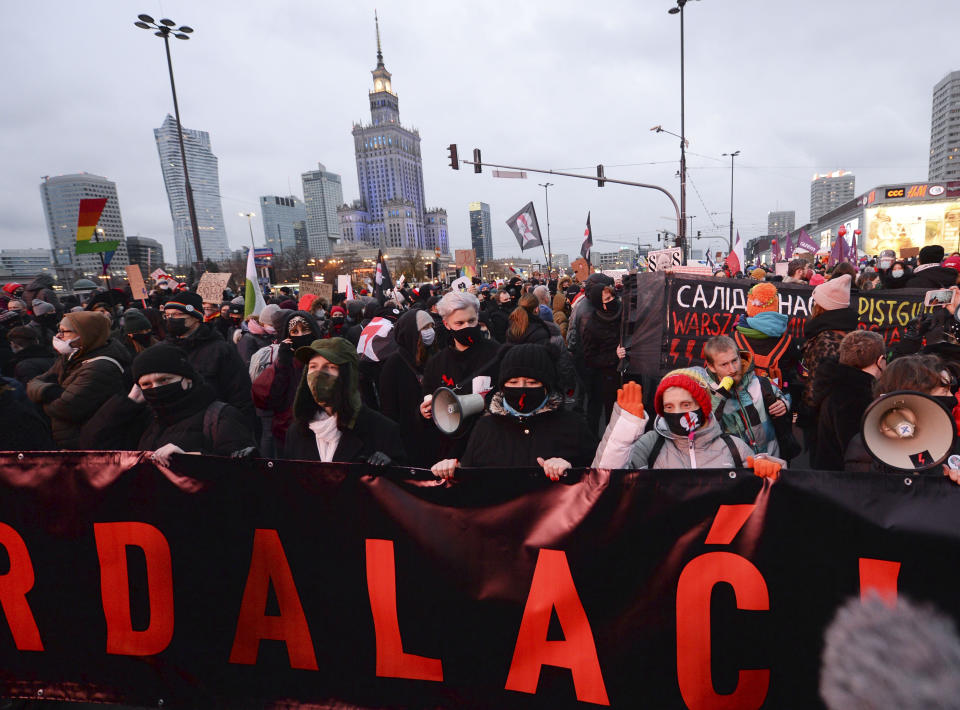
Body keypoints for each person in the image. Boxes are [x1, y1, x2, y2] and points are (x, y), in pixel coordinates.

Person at [433, 344, 597, 480]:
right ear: (503, 387)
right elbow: (470, 479)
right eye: (513, 382)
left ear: (547, 387)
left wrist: (571, 469)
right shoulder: (485, 428)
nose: (522, 388)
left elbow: (596, 479)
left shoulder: (573, 426)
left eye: (532, 382)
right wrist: (454, 471)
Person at [81, 344, 255, 460]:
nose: (155, 388)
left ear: (187, 379)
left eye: (164, 380)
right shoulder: (145, 417)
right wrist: (127, 402)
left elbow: (245, 471)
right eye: (146, 384)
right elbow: (91, 445)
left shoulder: (220, 416)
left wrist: (195, 459)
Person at [592, 371, 782, 477]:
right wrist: (624, 429)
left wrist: (765, 468)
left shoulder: (732, 446)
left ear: (703, 406)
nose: (678, 413)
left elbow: (767, 496)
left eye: (686, 404)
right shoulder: (651, 445)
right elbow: (604, 480)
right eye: (669, 406)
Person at [282, 337, 406, 463]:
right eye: (313, 367)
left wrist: (390, 468)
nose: (318, 375)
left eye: (329, 367)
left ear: (348, 375)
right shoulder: (297, 432)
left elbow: (403, 479)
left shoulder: (382, 430)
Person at [844, 354, 960, 481]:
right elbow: (867, 493)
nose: (952, 398)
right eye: (944, 392)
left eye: (950, 390)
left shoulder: (949, 439)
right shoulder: (866, 447)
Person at [26, 311, 130, 449]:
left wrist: (42, 396)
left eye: (64, 331)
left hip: (88, 444)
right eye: (59, 330)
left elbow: (65, 408)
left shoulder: (101, 367)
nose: (58, 336)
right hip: (71, 439)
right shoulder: (71, 356)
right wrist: (48, 391)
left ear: (86, 334)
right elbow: (32, 383)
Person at [419, 291, 501, 462]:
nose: (467, 327)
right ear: (446, 324)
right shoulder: (436, 364)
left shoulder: (498, 353)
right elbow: (428, 398)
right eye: (459, 323)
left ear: (478, 318)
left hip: (492, 444)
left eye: (471, 321)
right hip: (452, 450)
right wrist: (424, 411)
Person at [162, 291, 254, 421]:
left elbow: (240, 394)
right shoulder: (163, 350)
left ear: (195, 317)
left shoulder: (220, 350)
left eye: (177, 314)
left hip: (213, 424)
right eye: (167, 315)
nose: (171, 319)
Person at [703, 335, 792, 459]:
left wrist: (784, 403)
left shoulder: (761, 382)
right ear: (712, 367)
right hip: (737, 463)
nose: (732, 369)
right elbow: (707, 431)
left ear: (740, 356)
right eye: (724, 364)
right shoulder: (707, 394)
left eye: (734, 360)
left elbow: (783, 395)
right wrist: (720, 395)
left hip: (772, 457)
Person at [810, 330, 886, 471]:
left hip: (829, 477)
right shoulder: (854, 396)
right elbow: (856, 451)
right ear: (880, 360)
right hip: (845, 482)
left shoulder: (837, 384)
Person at [799, 274, 857, 452]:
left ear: (822, 307)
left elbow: (816, 385)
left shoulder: (826, 339)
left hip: (823, 419)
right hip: (845, 413)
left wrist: (807, 414)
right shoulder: (850, 333)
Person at [251, 310, 321, 453]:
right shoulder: (284, 363)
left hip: (323, 433)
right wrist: (282, 363)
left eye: (305, 330)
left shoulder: (326, 361)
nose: (301, 336)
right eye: (295, 332)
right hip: (288, 434)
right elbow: (263, 397)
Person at [379, 309, 438, 467]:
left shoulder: (435, 356)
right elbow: (389, 410)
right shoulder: (394, 364)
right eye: (425, 328)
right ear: (411, 332)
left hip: (435, 438)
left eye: (432, 326)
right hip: (408, 440)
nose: (430, 332)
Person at [581, 282, 623, 434]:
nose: (612, 300)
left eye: (612, 296)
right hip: (607, 380)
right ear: (600, 304)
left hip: (629, 375)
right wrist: (614, 356)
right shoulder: (592, 326)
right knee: (612, 418)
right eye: (607, 299)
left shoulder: (624, 314)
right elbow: (590, 358)